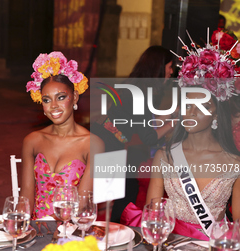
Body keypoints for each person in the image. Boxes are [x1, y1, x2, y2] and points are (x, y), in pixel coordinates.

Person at [144, 35, 240, 240]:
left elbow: (239, 225)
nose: (191, 112)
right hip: (169, 243)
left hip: (214, 245)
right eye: (187, 104)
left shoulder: (235, 161)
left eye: (202, 106)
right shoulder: (165, 156)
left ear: (216, 113)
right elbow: (153, 215)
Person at [92, 45, 176, 222]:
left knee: (117, 196)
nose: (172, 72)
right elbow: (149, 137)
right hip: (108, 145)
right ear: (159, 68)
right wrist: (174, 123)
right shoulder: (140, 93)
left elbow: (145, 124)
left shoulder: (135, 86)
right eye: (170, 66)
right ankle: (112, 234)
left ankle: (111, 232)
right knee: (120, 196)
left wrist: (172, 113)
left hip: (106, 139)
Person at [20, 52, 104, 220]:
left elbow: (82, 203)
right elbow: (26, 199)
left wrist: (49, 224)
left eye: (61, 97)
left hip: (72, 230)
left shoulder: (93, 144)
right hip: (36, 231)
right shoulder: (32, 141)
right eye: (47, 100)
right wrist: (19, 223)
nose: (54, 106)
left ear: (74, 98)